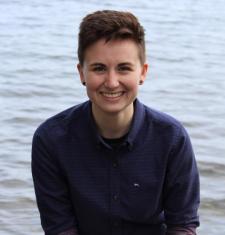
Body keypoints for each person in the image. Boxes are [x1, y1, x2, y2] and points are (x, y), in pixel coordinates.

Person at [32, 10, 200, 235]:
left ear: (143, 72)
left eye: (124, 68)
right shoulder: (51, 140)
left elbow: (182, 224)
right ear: (81, 73)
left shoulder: (172, 138)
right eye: (99, 68)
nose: (111, 83)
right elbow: (59, 228)